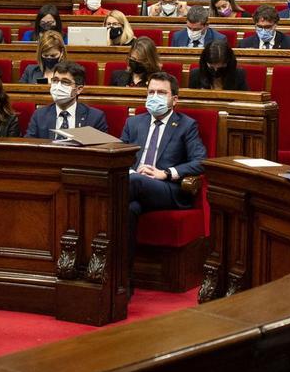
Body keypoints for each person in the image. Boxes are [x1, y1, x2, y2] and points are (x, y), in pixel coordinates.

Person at [121, 72, 208, 271]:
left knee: (133, 183)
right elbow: (120, 155)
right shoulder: (133, 123)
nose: (154, 97)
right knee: (129, 209)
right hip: (135, 186)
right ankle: (122, 279)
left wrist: (165, 173)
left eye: (161, 93)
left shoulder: (186, 125)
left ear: (174, 99)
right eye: (151, 92)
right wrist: (131, 171)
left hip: (167, 189)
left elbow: (201, 162)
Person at [26, 60, 109, 139]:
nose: (58, 86)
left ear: (78, 89)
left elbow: (101, 150)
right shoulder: (39, 115)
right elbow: (29, 147)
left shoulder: (95, 117)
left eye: (65, 82)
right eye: (55, 80)